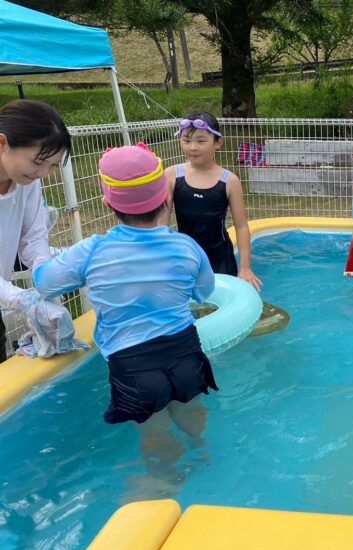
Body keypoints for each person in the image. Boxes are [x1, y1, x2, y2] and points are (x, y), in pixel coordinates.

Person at [33, 144, 219, 469]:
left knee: (155, 433)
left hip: (133, 365)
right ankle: (204, 454)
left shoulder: (93, 251)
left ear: (107, 202)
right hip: (185, 352)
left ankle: (164, 479)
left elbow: (44, 283)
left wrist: (37, 249)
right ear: (165, 199)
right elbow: (205, 292)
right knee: (192, 412)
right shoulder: (185, 246)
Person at [0, 99, 71, 363]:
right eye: (38, 162)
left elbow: (33, 238)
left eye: (53, 165)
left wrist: (45, 277)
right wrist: (21, 299)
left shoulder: (27, 181)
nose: (44, 173)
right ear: (2, 143)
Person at [167, 111, 261, 290]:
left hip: (221, 258)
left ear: (218, 143)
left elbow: (241, 226)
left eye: (201, 141)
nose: (193, 147)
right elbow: (162, 225)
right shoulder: (172, 175)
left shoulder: (229, 181)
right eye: (186, 140)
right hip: (186, 257)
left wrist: (245, 268)